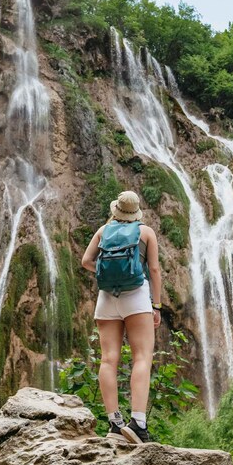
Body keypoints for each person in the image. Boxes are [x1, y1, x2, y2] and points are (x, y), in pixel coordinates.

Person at [81, 190, 162, 444]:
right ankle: (137, 423)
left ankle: (115, 424)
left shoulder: (103, 231)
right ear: (136, 212)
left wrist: (103, 271)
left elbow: (86, 261)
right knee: (141, 356)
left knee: (108, 359)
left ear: (116, 210)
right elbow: (155, 270)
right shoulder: (146, 232)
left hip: (106, 298)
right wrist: (156, 305)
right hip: (136, 296)